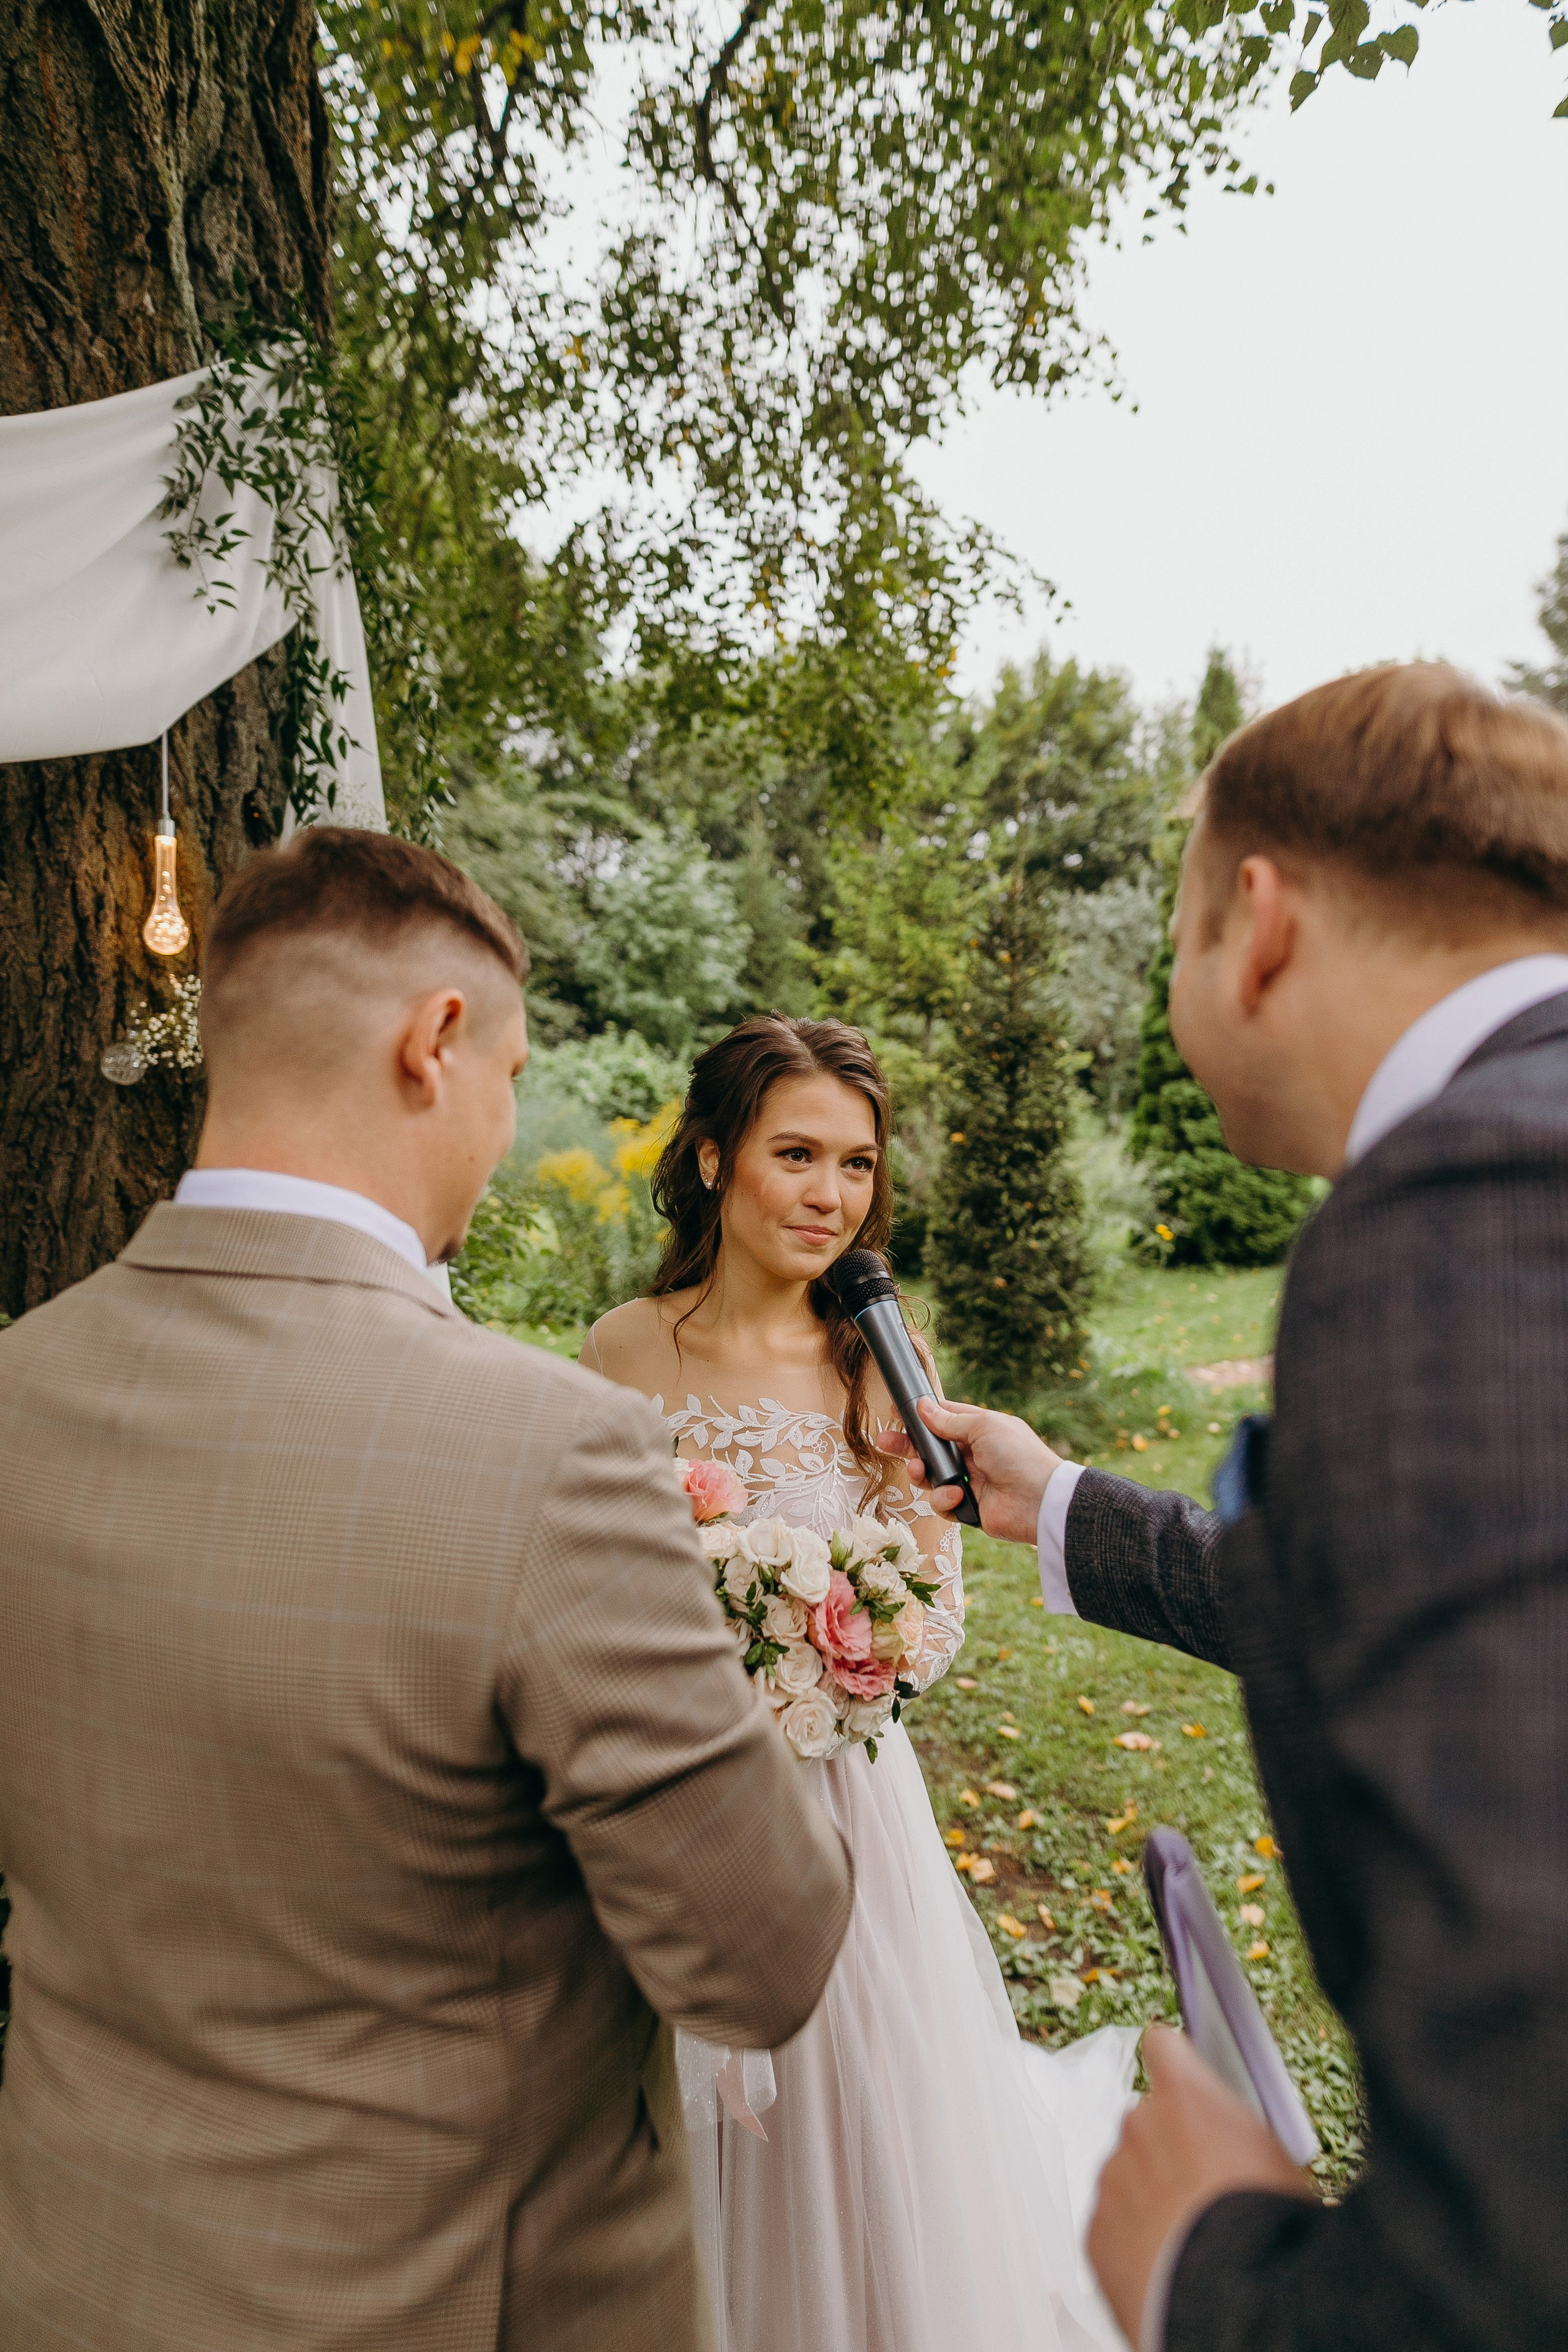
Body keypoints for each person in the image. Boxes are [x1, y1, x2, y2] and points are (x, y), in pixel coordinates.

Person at [0, 829, 853, 2352]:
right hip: (439, 2303)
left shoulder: (17, 1388)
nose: (509, 1125)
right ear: (433, 1044)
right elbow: (762, 1951)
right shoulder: (551, 1451)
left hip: (79, 2276)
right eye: (513, 1076)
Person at [881, 664, 1568, 2352]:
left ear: (1255, 924)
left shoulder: (1457, 1211)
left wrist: (1214, 2265)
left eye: (1178, 939)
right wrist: (1063, 1511)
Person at [583, 1014, 1139, 2352]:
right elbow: (587, 1577)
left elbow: (931, 1609)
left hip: (836, 1809)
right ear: (712, 1161)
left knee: (845, 2115)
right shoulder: (620, 1350)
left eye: (853, 1164)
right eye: (794, 1154)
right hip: (663, 1795)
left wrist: (827, 1681)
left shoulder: (880, 1362)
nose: (830, 1196)